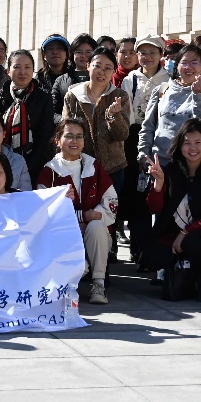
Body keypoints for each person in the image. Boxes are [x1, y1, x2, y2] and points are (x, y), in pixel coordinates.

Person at [143, 120, 201, 302]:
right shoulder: (171, 170)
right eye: (187, 142)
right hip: (173, 234)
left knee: (196, 242)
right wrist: (158, 184)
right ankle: (182, 273)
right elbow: (155, 208)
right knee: (152, 254)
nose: (193, 148)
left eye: (198, 142)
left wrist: (185, 233)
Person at [37, 118, 117, 305]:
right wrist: (80, 217)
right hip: (63, 235)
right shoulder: (49, 172)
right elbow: (44, 214)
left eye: (79, 137)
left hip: (91, 232)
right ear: (58, 140)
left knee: (97, 226)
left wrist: (89, 218)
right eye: (69, 136)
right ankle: (70, 281)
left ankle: (99, 285)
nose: (75, 141)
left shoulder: (94, 167)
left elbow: (110, 201)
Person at [119, 34, 171, 259]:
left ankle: (154, 248)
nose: (147, 57)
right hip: (133, 140)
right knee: (135, 195)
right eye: (142, 53)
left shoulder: (169, 79)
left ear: (161, 55)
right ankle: (137, 248)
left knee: (157, 194)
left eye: (152, 52)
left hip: (159, 139)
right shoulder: (130, 79)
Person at [61, 48, 131, 192]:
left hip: (113, 169)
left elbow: (122, 135)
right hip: (79, 167)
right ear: (88, 66)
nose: (101, 72)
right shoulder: (73, 96)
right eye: (97, 66)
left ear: (114, 71)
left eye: (107, 68)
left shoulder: (120, 96)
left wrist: (113, 116)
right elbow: (65, 132)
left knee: (109, 206)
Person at [139, 45, 201, 163]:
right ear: (177, 65)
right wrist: (144, 155)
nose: (188, 67)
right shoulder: (162, 90)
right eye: (184, 62)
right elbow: (148, 126)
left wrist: (198, 95)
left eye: (194, 62)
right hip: (159, 162)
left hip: (191, 163)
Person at [0, 49, 56, 179]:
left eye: (27, 67)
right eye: (17, 67)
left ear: (33, 70)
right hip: (1, 164)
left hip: (35, 164)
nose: (23, 72)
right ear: (8, 71)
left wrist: (28, 166)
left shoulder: (43, 97)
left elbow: (45, 135)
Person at [51, 33, 96, 115]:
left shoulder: (101, 78)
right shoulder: (60, 81)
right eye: (79, 52)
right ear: (72, 54)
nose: (83, 56)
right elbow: (53, 111)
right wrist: (66, 120)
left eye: (88, 52)